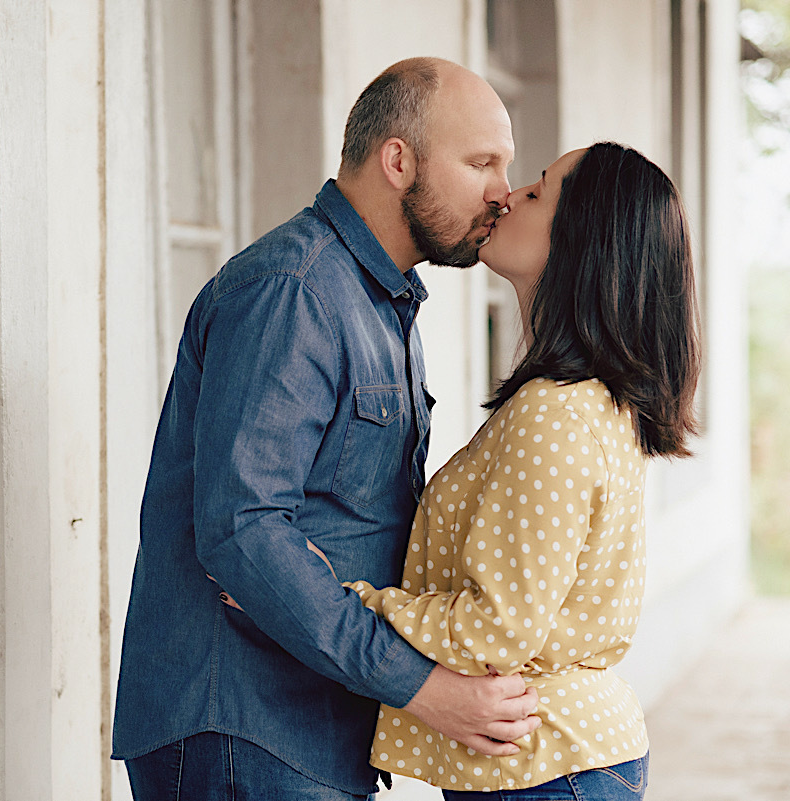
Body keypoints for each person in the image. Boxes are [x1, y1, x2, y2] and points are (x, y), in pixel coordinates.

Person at [112, 57, 542, 800]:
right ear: (399, 160)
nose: (503, 191)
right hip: (244, 723)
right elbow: (244, 529)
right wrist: (423, 685)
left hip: (309, 724)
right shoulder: (295, 291)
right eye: (481, 163)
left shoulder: (384, 299)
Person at [342, 143, 700, 798]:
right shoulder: (586, 400)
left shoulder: (554, 416)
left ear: (581, 244)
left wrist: (337, 599)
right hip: (559, 760)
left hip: (546, 767)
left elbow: (494, 629)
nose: (507, 196)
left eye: (536, 192)